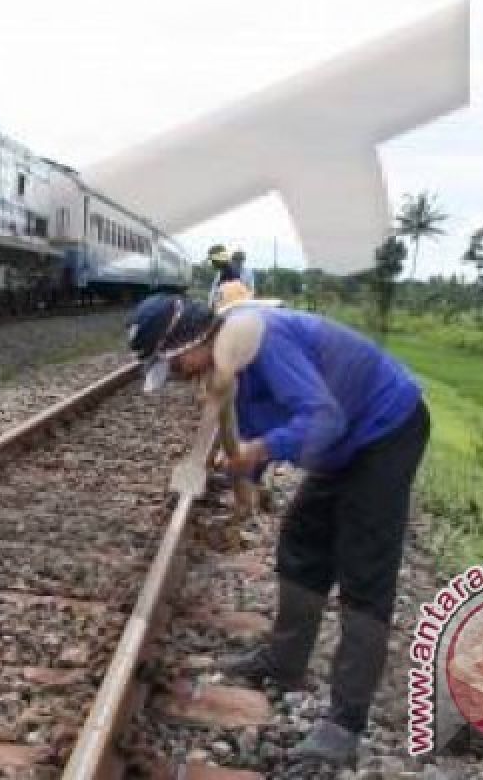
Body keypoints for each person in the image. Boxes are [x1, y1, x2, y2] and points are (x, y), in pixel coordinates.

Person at [125, 294, 430, 770]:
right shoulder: (228, 364)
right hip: (340, 446)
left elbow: (323, 418)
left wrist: (260, 451)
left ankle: (344, 725)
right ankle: (284, 663)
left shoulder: (262, 341)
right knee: (302, 544)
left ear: (189, 341)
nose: (181, 376)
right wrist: (247, 482)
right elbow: (244, 429)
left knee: (363, 574)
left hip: (382, 431)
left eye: (177, 365)